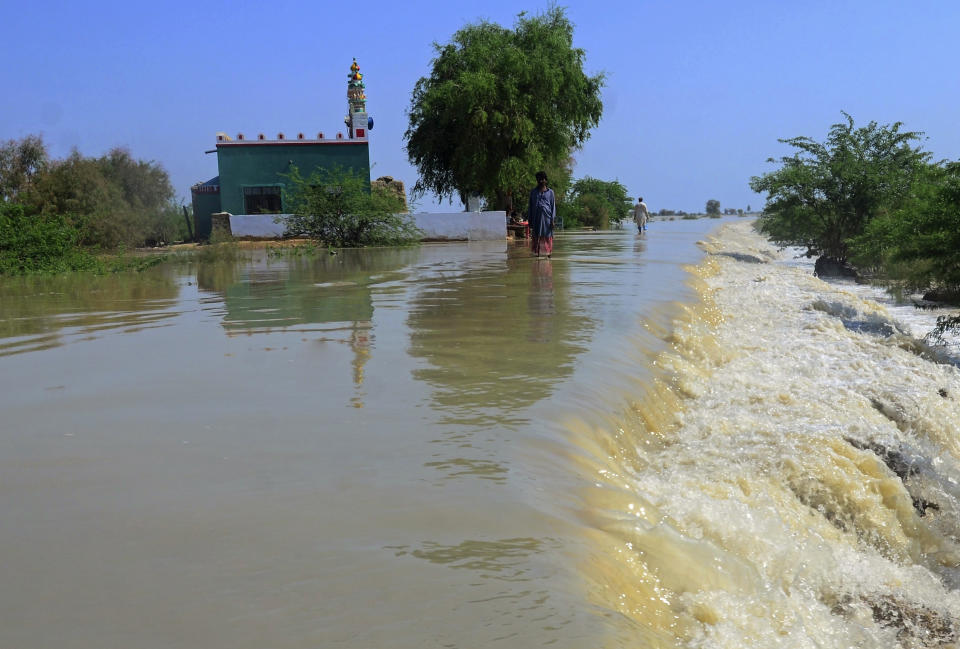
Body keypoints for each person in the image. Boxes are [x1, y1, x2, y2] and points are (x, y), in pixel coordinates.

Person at [528, 171, 556, 258]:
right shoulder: (533, 192)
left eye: (542, 179)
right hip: (536, 218)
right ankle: (537, 255)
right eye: (539, 179)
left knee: (547, 236)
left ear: (546, 180)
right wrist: (530, 220)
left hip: (547, 219)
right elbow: (530, 206)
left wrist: (552, 220)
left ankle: (548, 254)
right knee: (537, 236)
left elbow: (553, 206)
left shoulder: (550, 192)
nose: (540, 181)